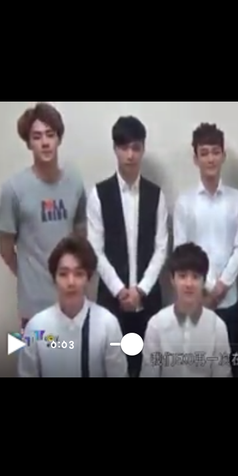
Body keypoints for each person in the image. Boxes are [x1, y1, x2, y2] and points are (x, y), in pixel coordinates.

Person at [87, 116, 168, 378]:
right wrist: (121, 291)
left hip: (149, 302)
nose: (130, 155)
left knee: (149, 368)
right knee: (110, 368)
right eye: (124, 148)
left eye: (135, 147)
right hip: (111, 303)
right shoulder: (99, 194)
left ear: (143, 149)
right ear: (115, 149)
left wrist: (141, 290)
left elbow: (161, 248)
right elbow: (95, 250)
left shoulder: (156, 195)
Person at [0, 103, 87, 329]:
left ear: (59, 138)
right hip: (32, 308)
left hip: (71, 304)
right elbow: (5, 250)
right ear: (29, 143)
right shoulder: (13, 189)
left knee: (69, 350)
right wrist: (29, 278)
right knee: (26, 349)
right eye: (37, 137)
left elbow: (81, 238)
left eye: (50, 134)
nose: (45, 142)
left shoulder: (75, 182)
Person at [173, 123, 238, 376]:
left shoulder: (236, 199)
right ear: (195, 159)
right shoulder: (185, 202)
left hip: (230, 300)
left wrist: (221, 286)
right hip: (195, 300)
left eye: (215, 152)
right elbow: (181, 252)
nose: (210, 159)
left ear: (223, 155)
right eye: (204, 153)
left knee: (230, 367)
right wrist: (205, 289)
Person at [17, 235, 127, 377]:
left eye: (79, 274)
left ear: (88, 278)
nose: (71, 282)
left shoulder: (108, 324)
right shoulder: (35, 327)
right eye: (63, 274)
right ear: (54, 278)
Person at [140, 243, 232, 377]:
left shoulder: (217, 327)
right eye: (182, 276)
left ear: (204, 281)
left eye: (195, 277)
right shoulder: (156, 325)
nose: (189, 284)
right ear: (172, 279)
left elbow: (222, 374)